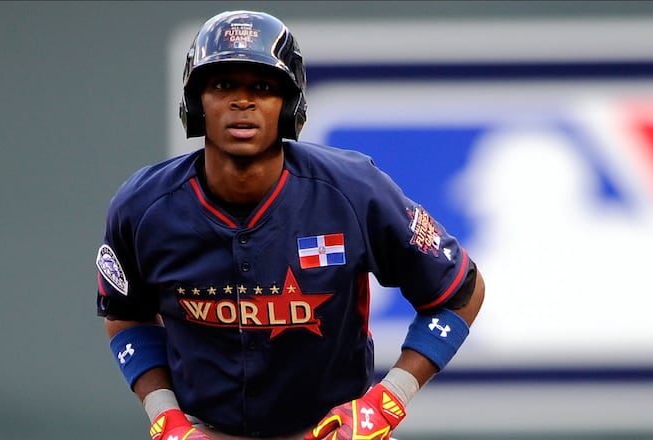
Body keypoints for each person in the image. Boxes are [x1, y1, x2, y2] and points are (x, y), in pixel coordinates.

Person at [95, 10, 485, 440]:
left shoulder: (354, 191)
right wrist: (164, 414)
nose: (242, 101)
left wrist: (387, 401)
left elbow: (461, 292)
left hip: (333, 432)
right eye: (223, 85)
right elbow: (124, 313)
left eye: (262, 87)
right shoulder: (143, 206)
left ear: (290, 104)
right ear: (194, 102)